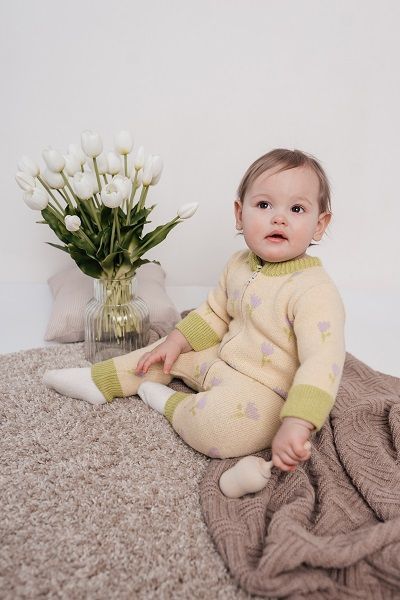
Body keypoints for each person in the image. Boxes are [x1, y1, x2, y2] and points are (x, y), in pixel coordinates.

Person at [44, 148, 345, 478]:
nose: (279, 218)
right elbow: (215, 312)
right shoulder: (238, 264)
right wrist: (176, 341)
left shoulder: (314, 290)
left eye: (297, 209)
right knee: (160, 354)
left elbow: (322, 362)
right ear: (239, 214)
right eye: (264, 205)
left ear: (319, 225)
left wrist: (298, 422)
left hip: (267, 390)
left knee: (222, 427)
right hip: (221, 358)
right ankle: (101, 380)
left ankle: (171, 404)